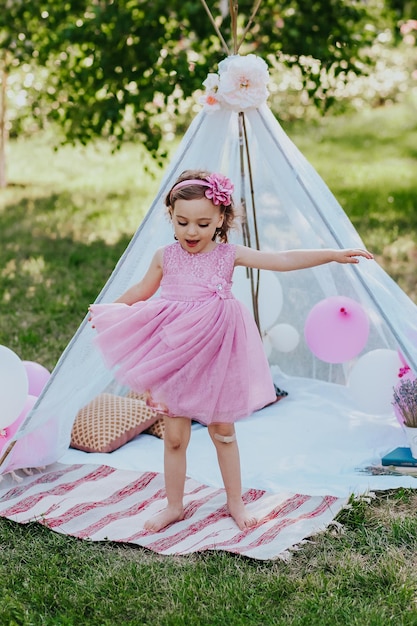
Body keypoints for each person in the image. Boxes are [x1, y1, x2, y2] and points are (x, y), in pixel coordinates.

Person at [88, 169, 373, 532]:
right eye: (183, 222)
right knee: (174, 437)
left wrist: (332, 254)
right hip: (175, 352)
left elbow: (282, 259)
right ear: (171, 218)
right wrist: (110, 311)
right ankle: (174, 505)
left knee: (223, 431)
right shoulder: (165, 256)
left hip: (216, 353)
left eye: (203, 223)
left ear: (221, 219)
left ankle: (234, 502)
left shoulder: (228, 255)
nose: (192, 232)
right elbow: (142, 291)